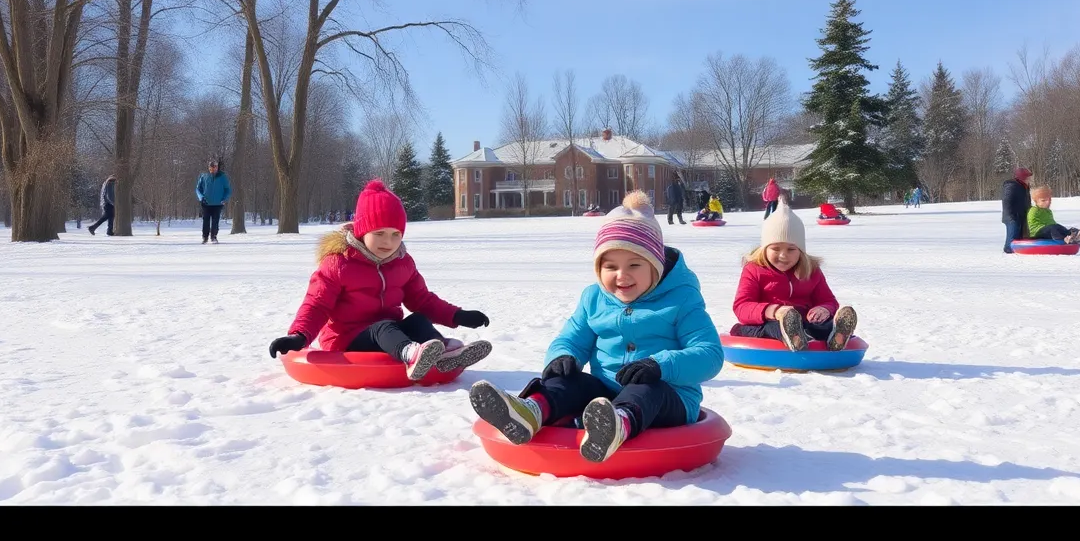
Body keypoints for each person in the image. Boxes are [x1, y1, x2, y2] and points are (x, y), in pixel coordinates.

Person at [467, 190, 723, 463]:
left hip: (668, 397)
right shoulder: (594, 299)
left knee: (648, 389)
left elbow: (710, 354)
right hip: (603, 398)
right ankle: (531, 411)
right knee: (567, 380)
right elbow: (572, 338)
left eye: (634, 265)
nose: (621, 276)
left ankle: (618, 425)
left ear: (656, 267)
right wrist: (562, 357)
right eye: (610, 266)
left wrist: (660, 365)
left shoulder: (681, 300)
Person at [267, 179, 493, 380]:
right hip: (346, 339)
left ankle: (443, 352)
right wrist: (299, 336)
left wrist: (457, 315)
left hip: (390, 334)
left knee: (418, 320)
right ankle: (411, 355)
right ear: (361, 231)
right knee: (383, 327)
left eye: (396, 234)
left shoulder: (402, 263)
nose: (388, 242)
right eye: (379, 233)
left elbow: (423, 300)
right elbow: (317, 304)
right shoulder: (339, 263)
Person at [731, 198, 858, 352]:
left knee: (822, 325)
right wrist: (775, 311)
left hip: (804, 322)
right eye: (776, 249)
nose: (783, 256)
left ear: (800, 251)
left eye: (791, 249)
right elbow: (742, 306)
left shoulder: (811, 269)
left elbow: (828, 300)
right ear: (764, 249)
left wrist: (824, 309)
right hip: (767, 321)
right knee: (764, 329)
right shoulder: (754, 269)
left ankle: (835, 333)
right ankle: (793, 336)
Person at [195, 159, 232, 244]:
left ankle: (214, 237)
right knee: (206, 220)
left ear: (217, 167)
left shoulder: (222, 177)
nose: (213, 169)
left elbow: (228, 190)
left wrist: (224, 199)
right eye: (211, 167)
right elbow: (198, 189)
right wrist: (201, 197)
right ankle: (205, 237)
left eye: (215, 167)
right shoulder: (204, 176)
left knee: (215, 221)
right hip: (206, 203)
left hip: (218, 203)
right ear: (209, 168)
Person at [1001, 166, 1033, 254]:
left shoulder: (1024, 187)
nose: (1030, 179)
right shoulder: (1011, 185)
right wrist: (1011, 216)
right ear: (1023, 177)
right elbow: (1007, 202)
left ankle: (1017, 252)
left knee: (1019, 238)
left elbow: (1027, 202)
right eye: (1028, 177)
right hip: (1012, 217)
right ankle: (1008, 251)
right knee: (1012, 238)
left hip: (1021, 216)